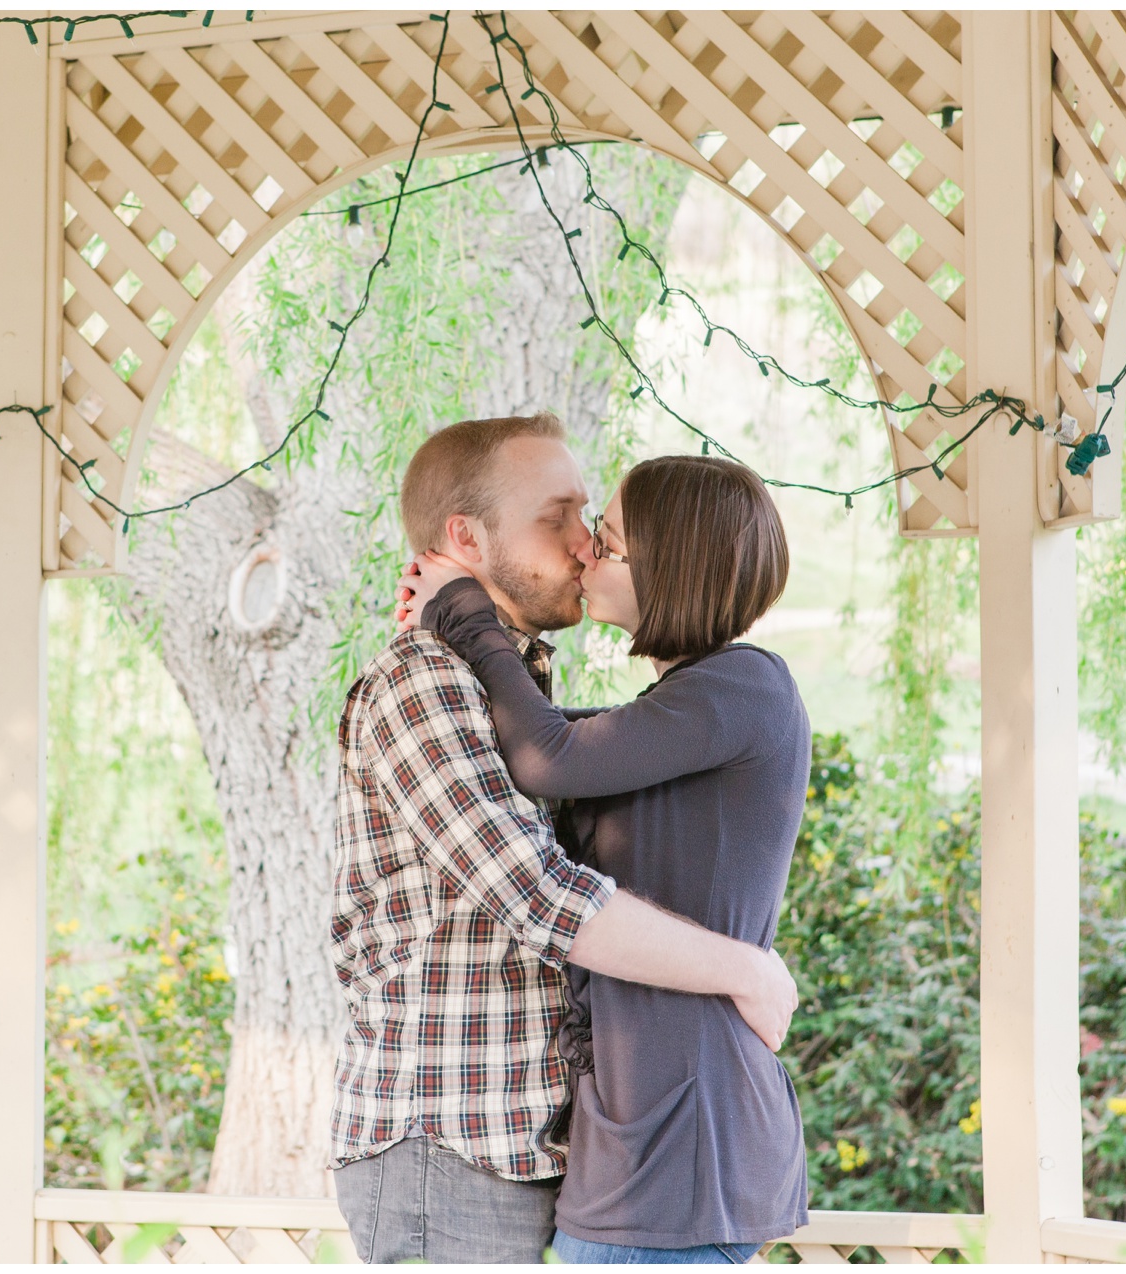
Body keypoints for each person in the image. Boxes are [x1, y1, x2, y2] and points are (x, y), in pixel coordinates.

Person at [329, 414, 798, 1264]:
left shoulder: (547, 691)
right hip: (450, 1144)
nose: (585, 545)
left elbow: (559, 752)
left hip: (544, 1147)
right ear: (466, 537)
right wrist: (746, 968)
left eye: (594, 524)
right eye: (560, 519)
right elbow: (537, 894)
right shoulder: (424, 683)